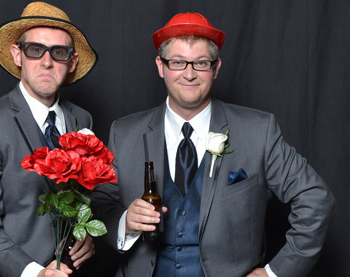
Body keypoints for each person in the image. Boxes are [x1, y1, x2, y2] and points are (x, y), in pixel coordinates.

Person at [91, 12, 335, 276]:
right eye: (178, 62)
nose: (189, 74)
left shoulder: (258, 131)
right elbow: (101, 205)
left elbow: (315, 198)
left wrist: (275, 272)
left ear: (216, 68)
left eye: (201, 63)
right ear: (161, 67)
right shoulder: (124, 132)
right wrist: (125, 222)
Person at [0, 2, 98, 276]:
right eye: (36, 50)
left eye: (59, 52)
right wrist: (35, 272)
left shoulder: (82, 121)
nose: (47, 61)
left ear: (72, 61)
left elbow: (82, 200)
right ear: (17, 55)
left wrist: (84, 236)